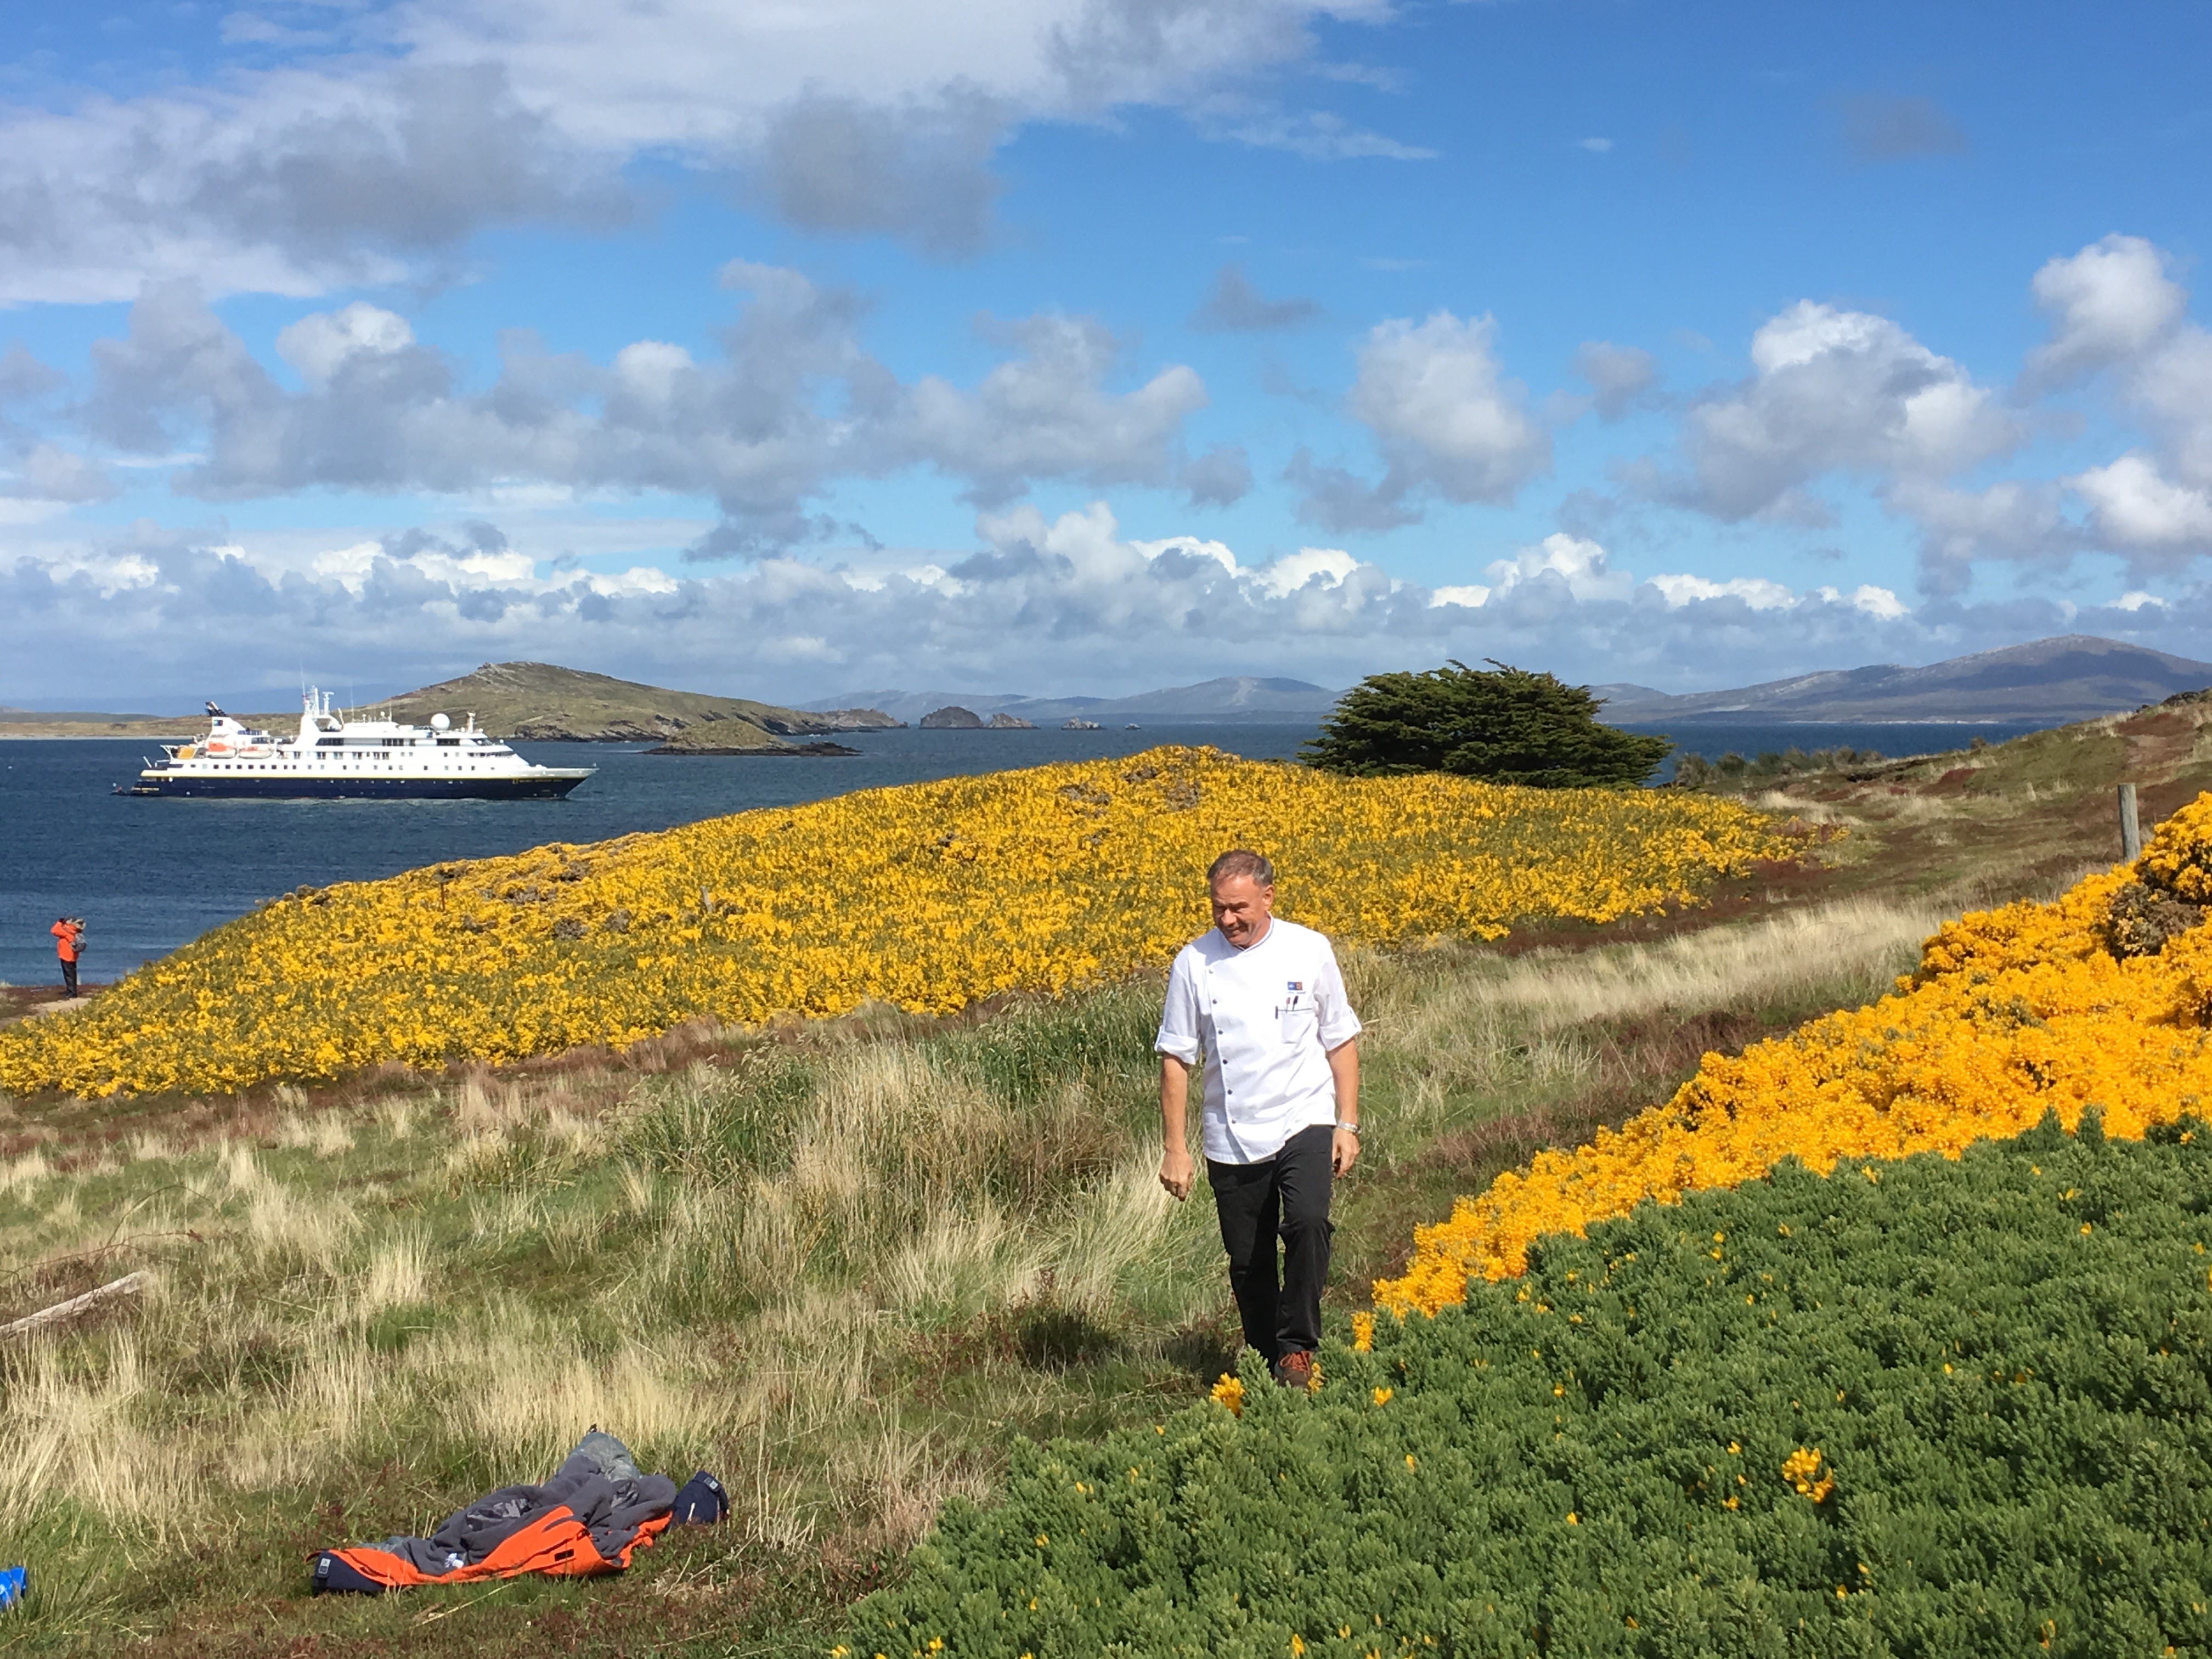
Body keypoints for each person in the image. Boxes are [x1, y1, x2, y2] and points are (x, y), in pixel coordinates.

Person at [1155, 849, 1361, 1388]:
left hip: (1305, 1116)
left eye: (1238, 908)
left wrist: (1348, 1122)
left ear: (1268, 897)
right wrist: (1175, 1148)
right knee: (1248, 1263)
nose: (1227, 920)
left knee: (1309, 1222)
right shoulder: (1193, 964)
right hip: (1232, 1132)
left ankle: (1297, 1350)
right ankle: (1264, 1353)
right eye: (1218, 909)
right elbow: (1176, 1059)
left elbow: (1340, 1038)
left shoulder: (1309, 950)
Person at [49, 916, 84, 998]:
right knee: (71, 974)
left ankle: (72, 992)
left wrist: (60, 922)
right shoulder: (77, 931)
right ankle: (70, 990)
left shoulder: (67, 930)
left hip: (66, 955)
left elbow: (54, 931)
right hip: (73, 956)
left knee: (69, 975)